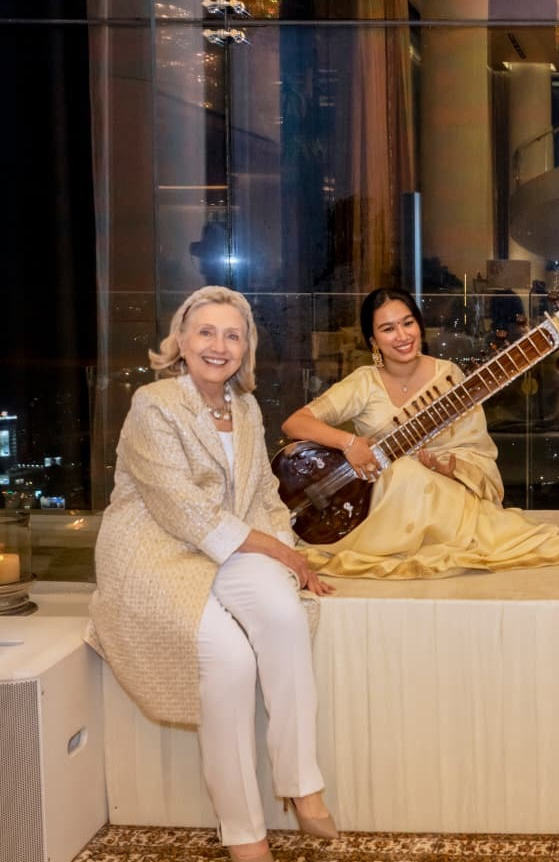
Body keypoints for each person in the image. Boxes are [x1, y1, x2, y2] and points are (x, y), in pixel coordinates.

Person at [87, 287, 337, 862]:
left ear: (246, 346)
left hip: (226, 545)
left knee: (282, 613)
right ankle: (243, 831)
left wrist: (289, 551)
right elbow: (183, 510)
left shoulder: (245, 407)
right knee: (230, 659)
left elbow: (265, 495)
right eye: (206, 332)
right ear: (180, 340)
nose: (218, 346)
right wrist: (281, 554)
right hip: (157, 552)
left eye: (233, 334)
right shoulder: (154, 404)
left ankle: (302, 785)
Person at [281, 286, 559, 578]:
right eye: (388, 328)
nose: (403, 336)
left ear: (419, 325)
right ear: (373, 341)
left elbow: (474, 448)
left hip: (440, 494)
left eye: (408, 323)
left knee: (513, 533)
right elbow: (295, 423)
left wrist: (449, 467)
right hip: (381, 503)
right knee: (405, 472)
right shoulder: (364, 382)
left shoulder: (449, 376)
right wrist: (349, 442)